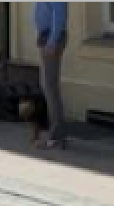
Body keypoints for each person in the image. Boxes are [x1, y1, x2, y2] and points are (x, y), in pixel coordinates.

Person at [32, 2, 68, 150]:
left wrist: (52, 41)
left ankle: (56, 136)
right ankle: (56, 133)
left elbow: (59, 15)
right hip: (45, 36)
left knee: (50, 87)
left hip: (51, 37)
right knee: (48, 86)